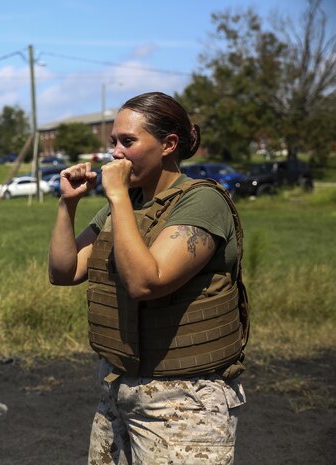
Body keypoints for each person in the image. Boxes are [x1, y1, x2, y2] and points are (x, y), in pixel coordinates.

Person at [49, 92, 249, 464]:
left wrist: (118, 198)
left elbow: (147, 282)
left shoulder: (202, 201)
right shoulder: (126, 204)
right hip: (119, 390)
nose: (116, 153)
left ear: (169, 144)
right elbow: (64, 271)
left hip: (185, 403)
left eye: (128, 141)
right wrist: (68, 204)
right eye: (113, 143)